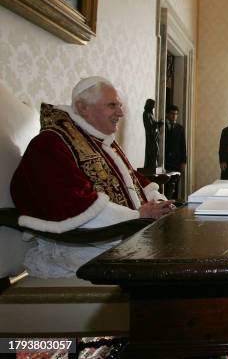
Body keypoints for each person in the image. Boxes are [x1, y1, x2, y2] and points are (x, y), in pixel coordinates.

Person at [10, 76, 175, 278]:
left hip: (122, 235)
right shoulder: (50, 144)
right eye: (112, 105)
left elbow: (133, 179)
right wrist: (138, 216)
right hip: (81, 246)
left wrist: (159, 202)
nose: (121, 113)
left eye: (120, 105)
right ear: (83, 107)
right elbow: (72, 204)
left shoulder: (101, 142)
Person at [164, 105, 187, 199]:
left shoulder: (180, 128)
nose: (174, 116)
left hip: (176, 161)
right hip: (165, 161)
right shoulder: (162, 126)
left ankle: (174, 205)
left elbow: (183, 145)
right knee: (165, 185)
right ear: (167, 114)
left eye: (176, 114)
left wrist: (184, 161)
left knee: (175, 185)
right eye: (172, 114)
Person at [143, 99, 163, 172]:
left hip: (155, 136)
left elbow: (154, 124)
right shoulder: (146, 114)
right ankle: (151, 164)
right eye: (153, 105)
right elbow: (149, 126)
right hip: (151, 137)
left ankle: (154, 164)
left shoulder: (151, 114)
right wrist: (157, 124)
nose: (154, 107)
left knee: (156, 151)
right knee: (152, 150)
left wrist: (158, 123)